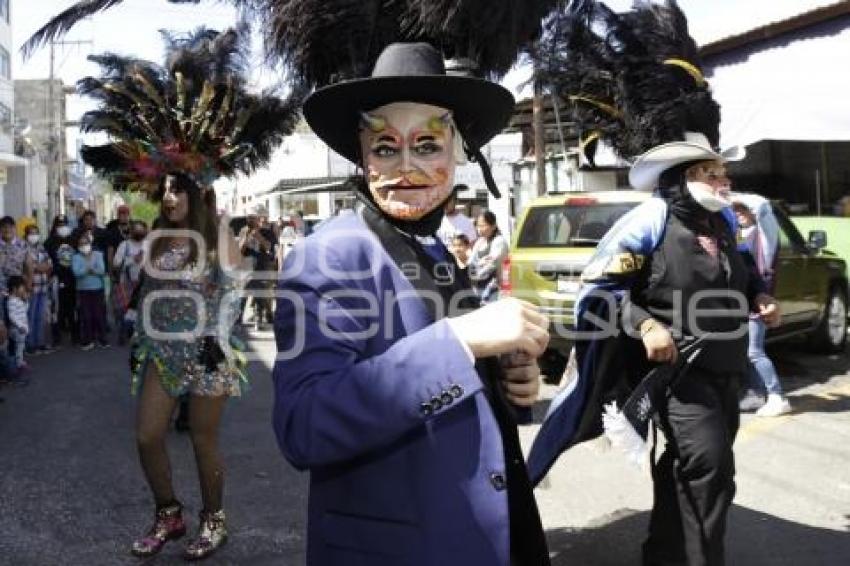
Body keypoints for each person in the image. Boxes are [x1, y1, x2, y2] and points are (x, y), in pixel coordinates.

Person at [274, 42, 551, 566]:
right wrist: (463, 340)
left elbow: (449, 377)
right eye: (384, 147)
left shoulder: (437, 244)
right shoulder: (327, 254)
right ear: (362, 155)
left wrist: (508, 382)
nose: (406, 166)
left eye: (427, 145)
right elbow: (304, 425)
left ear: (457, 151)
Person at [526, 3, 781, 566]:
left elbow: (740, 279)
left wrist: (758, 295)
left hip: (727, 370)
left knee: (689, 468)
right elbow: (598, 294)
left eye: (721, 169)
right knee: (709, 470)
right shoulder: (648, 221)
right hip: (676, 376)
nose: (723, 178)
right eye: (710, 171)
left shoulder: (723, 223)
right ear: (680, 179)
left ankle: (662, 553)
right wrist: (645, 324)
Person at [65, 25, 299, 560]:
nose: (166, 196)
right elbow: (145, 292)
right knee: (148, 437)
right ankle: (168, 513)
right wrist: (138, 327)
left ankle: (214, 519)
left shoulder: (213, 235)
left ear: (195, 191)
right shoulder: (158, 239)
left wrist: (216, 334)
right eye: (163, 187)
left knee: (202, 439)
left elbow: (237, 287)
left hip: (208, 354)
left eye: (176, 188)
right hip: (161, 354)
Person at [733, 199, 791, 417]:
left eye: (742, 209)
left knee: (754, 351)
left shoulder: (765, 234)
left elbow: (763, 207)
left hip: (760, 301)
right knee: (746, 351)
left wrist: (729, 196)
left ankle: (777, 396)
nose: (738, 213)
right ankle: (757, 393)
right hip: (743, 302)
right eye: (735, 210)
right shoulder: (738, 234)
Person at [238, 205, 276, 328]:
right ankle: (238, 318)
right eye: (248, 218)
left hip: (261, 265)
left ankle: (259, 318)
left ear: (258, 218)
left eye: (252, 218)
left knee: (260, 294)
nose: (250, 221)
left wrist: (259, 237)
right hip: (246, 266)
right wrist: (245, 240)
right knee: (243, 292)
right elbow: (239, 250)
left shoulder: (268, 232)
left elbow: (270, 248)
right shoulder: (244, 230)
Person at [44, 215, 79, 346]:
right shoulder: (49, 242)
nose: (62, 227)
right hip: (56, 278)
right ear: (55, 226)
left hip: (72, 278)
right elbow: (46, 259)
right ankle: (56, 337)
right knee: (56, 310)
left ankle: (75, 335)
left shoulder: (74, 240)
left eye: (64, 224)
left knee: (72, 308)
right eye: (59, 224)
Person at [112, 220, 148, 345]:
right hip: (126, 283)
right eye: (136, 229)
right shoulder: (124, 245)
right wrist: (133, 259)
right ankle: (124, 333)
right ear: (131, 231)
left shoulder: (148, 245)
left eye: (141, 230)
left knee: (142, 309)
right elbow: (116, 263)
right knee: (125, 310)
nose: (139, 232)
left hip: (144, 282)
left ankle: (139, 334)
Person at [72, 233, 109, 350]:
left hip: (97, 288)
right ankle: (88, 340)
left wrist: (88, 270)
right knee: (85, 315)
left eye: (86, 243)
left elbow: (102, 270)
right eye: (81, 244)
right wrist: (90, 269)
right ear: (78, 246)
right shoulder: (76, 257)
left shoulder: (98, 254)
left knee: (99, 314)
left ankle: (102, 339)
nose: (84, 246)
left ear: (90, 244)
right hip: (83, 290)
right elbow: (76, 273)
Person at [468, 210, 510, 304]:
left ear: (493, 226)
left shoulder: (499, 241)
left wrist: (475, 274)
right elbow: (471, 262)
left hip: (494, 288)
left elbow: (491, 264)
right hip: (478, 287)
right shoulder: (480, 242)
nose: (479, 229)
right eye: (478, 225)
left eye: (483, 226)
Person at [23, 225, 53, 354]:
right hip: (31, 287)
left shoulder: (41, 247)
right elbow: (26, 266)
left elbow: (49, 264)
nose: (34, 236)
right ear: (26, 235)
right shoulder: (23, 248)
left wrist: (37, 266)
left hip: (43, 286)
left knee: (41, 317)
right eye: (31, 233)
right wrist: (39, 266)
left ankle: (40, 342)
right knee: (30, 315)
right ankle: (30, 344)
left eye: (36, 233)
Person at [0, 216, 32, 293]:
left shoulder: (23, 245)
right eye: (4, 227)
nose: (7, 230)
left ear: (15, 228)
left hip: (17, 290)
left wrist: (28, 284)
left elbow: (29, 267)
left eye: (10, 227)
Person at [6, 275, 30, 373]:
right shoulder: (11, 301)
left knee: (21, 346)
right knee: (19, 347)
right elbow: (12, 316)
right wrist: (20, 326)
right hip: (17, 329)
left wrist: (25, 300)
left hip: (22, 328)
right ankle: (18, 364)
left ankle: (19, 362)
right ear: (15, 289)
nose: (23, 289)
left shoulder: (19, 299)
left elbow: (25, 309)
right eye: (21, 287)